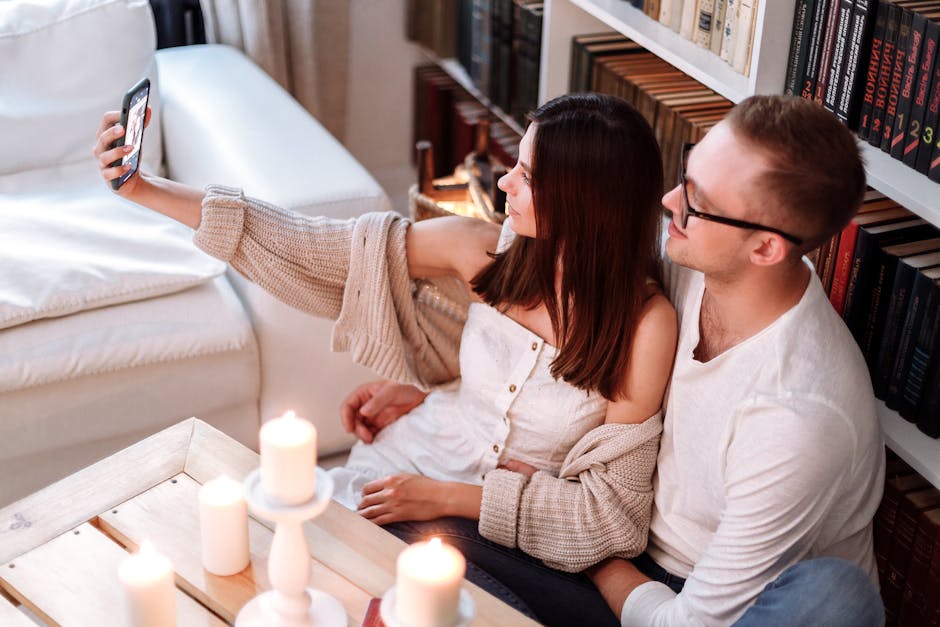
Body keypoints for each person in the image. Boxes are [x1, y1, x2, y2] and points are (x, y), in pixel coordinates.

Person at [92, 93, 677, 624]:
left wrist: (445, 497)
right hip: (413, 462)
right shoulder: (484, 252)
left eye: (527, 175)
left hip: (496, 523)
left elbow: (610, 517)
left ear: (585, 200)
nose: (504, 185)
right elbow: (312, 246)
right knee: (287, 571)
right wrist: (146, 190)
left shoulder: (644, 328)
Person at [340, 95, 887, 626]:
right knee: (401, 536)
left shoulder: (795, 418)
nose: (670, 201)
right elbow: (557, 315)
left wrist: (592, 547)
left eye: (697, 201)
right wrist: (456, 391)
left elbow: (686, 620)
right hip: (606, 536)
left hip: (680, 589)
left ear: (765, 248)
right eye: (685, 173)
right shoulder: (694, 253)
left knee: (420, 543)